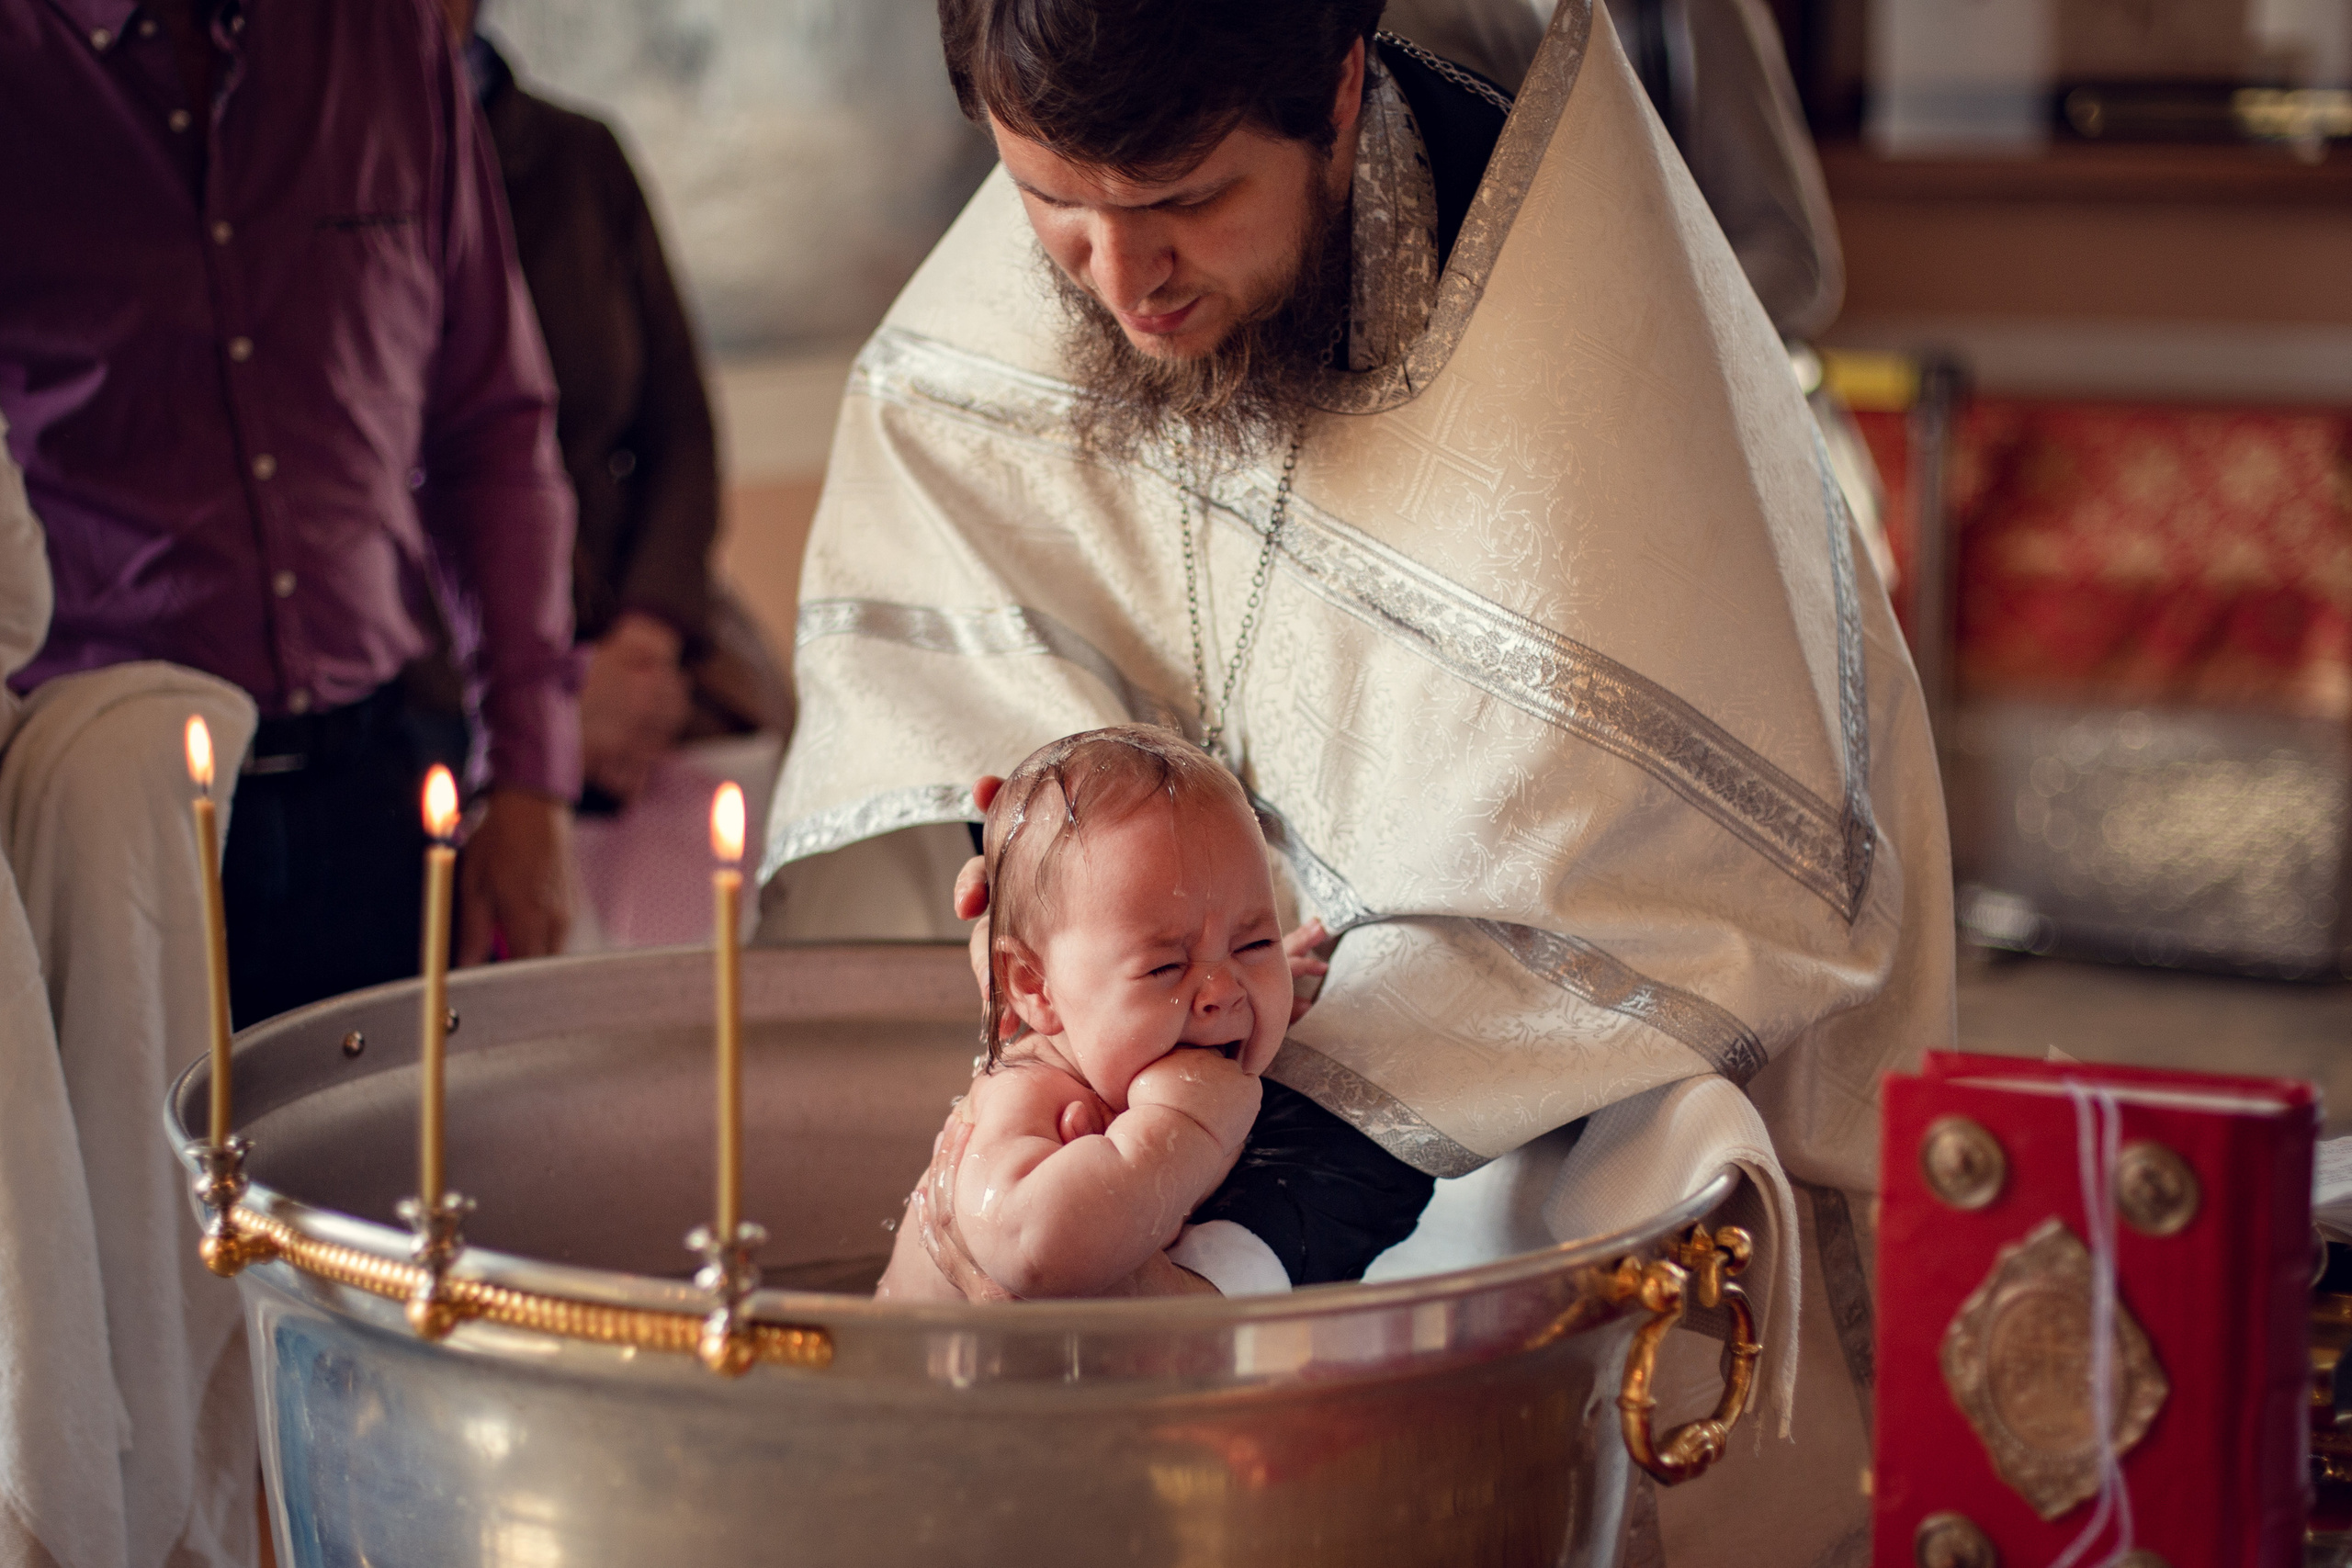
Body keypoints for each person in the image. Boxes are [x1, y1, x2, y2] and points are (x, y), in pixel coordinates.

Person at [764, 0, 1951, 1557]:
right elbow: (955, 509)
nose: (1126, 286)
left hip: (1551, 1118)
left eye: (1190, 204)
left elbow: (1640, 868)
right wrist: (1050, 840)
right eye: (1053, 209)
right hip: (1175, 1059)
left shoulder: (1563, 314)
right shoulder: (1100, 185)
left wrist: (1228, 1230)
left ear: (1333, 97)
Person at [0, 0, 581, 1031]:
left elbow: (491, 428)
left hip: (370, 793)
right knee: (148, 1195)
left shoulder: (385, 39)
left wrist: (529, 774)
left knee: (403, 1184)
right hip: (111, 826)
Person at [442, 0, 796, 810]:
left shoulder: (580, 157)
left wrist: (645, 638)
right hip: (447, 683)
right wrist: (545, 698)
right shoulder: (327, 177)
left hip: (639, 642)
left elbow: (681, 428)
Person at [876, 726, 1304, 1302]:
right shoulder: (1034, 1094)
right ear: (1036, 987)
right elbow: (1034, 1249)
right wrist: (1182, 1130)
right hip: (915, 1387)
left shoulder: (1165, 1052)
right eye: (1164, 968)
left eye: (1254, 945)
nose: (1224, 990)